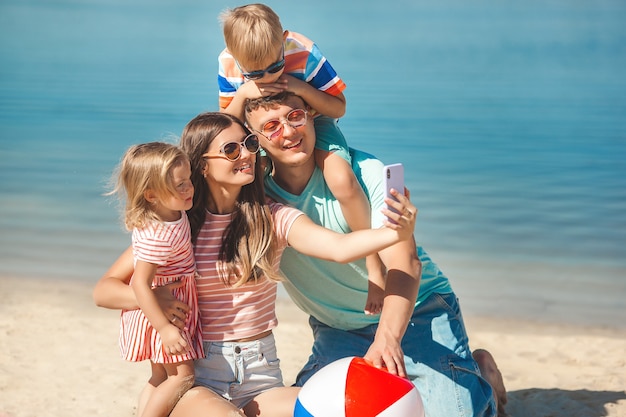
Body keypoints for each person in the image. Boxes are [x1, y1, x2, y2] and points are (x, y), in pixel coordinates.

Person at [94, 112, 419, 417]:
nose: (246, 154)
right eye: (231, 149)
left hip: (261, 371)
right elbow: (105, 291)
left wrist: (392, 233)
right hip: (198, 374)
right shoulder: (179, 227)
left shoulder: (271, 217)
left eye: (250, 144)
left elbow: (339, 248)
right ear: (202, 166)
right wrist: (154, 299)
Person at [244, 91, 508, 417]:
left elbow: (405, 263)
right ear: (254, 140)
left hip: (416, 313)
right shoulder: (256, 197)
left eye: (295, 117)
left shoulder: (367, 171)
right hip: (337, 327)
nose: (288, 131)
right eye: (271, 125)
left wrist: (387, 337)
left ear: (312, 116)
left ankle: (482, 377)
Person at [217, 3, 386, 315]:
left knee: (341, 179)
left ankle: (374, 261)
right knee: (247, 183)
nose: (267, 78)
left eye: (274, 67)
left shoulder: (304, 52)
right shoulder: (228, 62)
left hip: (310, 119)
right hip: (261, 130)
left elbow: (338, 108)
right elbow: (228, 127)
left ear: (283, 41)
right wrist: (243, 94)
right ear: (233, 54)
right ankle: (247, 263)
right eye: (255, 74)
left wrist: (298, 87)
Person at [106, 142, 204, 417]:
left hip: (164, 306)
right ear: (151, 195)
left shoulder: (171, 213)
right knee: (182, 376)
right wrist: (165, 329)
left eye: (188, 181)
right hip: (161, 314)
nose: (189, 189)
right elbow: (139, 282)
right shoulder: (159, 234)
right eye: (179, 185)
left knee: (160, 376)